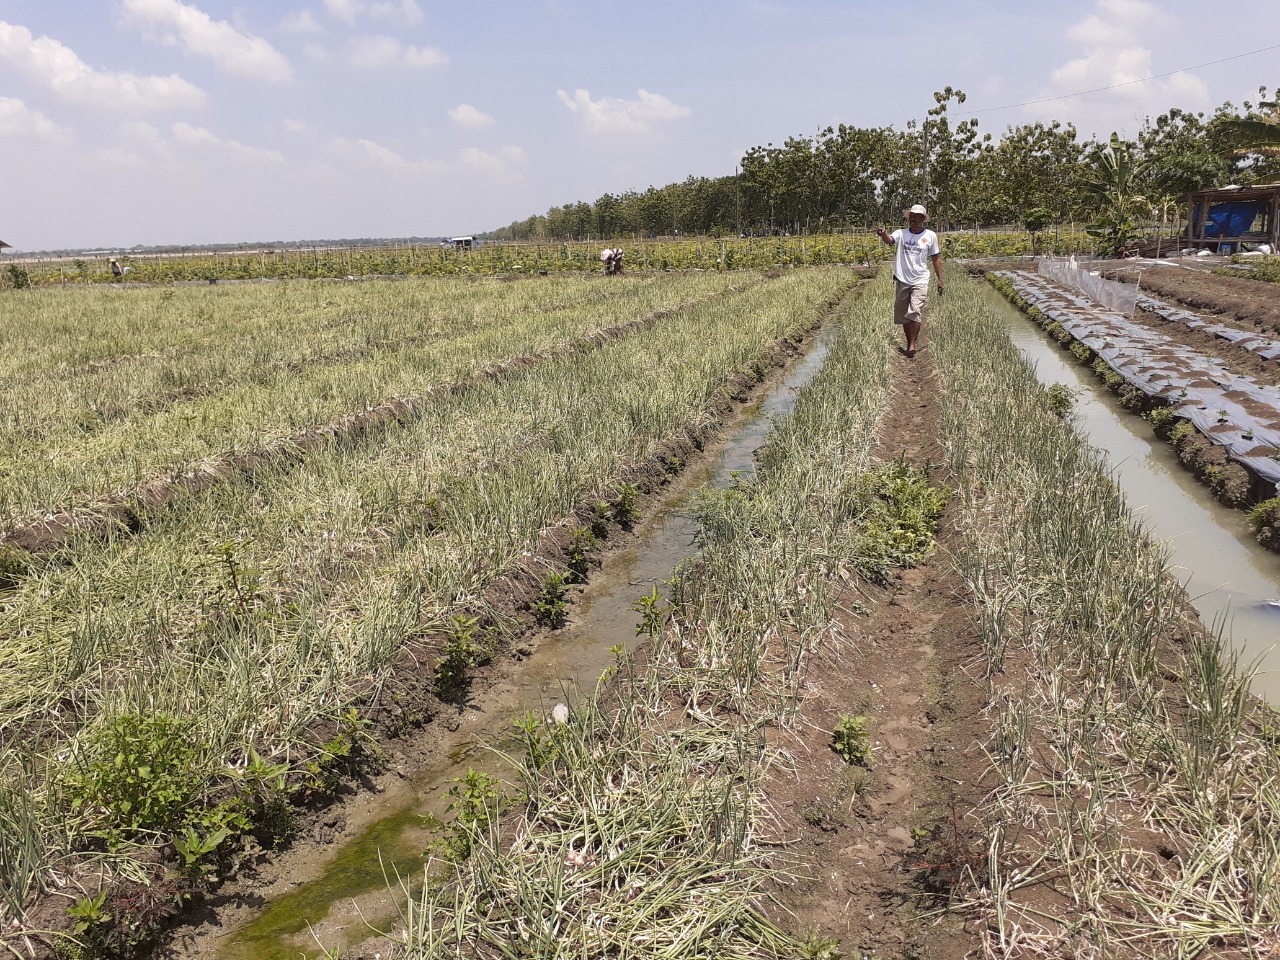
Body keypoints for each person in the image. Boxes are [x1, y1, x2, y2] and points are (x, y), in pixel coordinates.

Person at [874, 204, 943, 358]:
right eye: (911, 216)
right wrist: (883, 234)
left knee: (915, 312)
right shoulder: (902, 233)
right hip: (903, 279)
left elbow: (935, 258)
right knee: (904, 315)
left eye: (916, 216)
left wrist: (940, 279)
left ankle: (912, 344)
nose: (912, 218)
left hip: (920, 279)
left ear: (922, 219)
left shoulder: (930, 236)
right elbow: (890, 241)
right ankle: (909, 342)